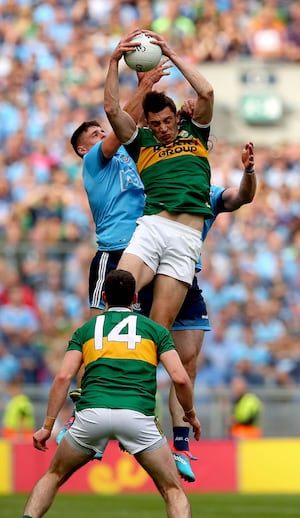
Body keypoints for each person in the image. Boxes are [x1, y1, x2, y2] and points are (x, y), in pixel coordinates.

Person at [21, 270, 201, 518]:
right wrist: (190, 414)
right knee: (173, 490)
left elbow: (63, 377)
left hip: (91, 414)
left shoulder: (86, 330)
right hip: (137, 417)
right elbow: (180, 378)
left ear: (104, 297)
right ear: (135, 298)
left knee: (53, 475)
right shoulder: (155, 331)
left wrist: (47, 426)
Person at [137, 134, 256, 478]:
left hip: (186, 278)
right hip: (150, 274)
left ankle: (180, 445)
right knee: (141, 353)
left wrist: (248, 172)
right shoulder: (155, 178)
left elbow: (241, 197)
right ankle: (128, 422)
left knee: (186, 364)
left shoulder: (209, 193)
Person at [104, 29, 215, 332]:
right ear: (149, 124)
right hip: (153, 227)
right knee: (116, 295)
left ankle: (142, 380)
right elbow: (112, 110)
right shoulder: (141, 142)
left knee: (159, 327)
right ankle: (98, 377)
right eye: (156, 124)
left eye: (168, 121)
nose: (163, 128)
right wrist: (114, 61)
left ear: (177, 117)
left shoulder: (196, 133)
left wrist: (171, 53)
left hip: (186, 238)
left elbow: (206, 93)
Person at [71, 55, 172, 317]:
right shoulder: (93, 162)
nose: (102, 134)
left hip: (144, 249)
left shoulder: (125, 154)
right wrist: (143, 86)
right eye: (95, 135)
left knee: (142, 326)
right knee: (101, 326)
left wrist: (146, 88)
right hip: (114, 250)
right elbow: (120, 123)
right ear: (83, 149)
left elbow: (133, 122)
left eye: (102, 132)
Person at [1, 374, 35, 442]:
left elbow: (23, 419)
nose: (9, 392)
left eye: (11, 389)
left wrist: (20, 435)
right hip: (13, 435)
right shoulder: (14, 401)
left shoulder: (21, 401)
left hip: (19, 435)